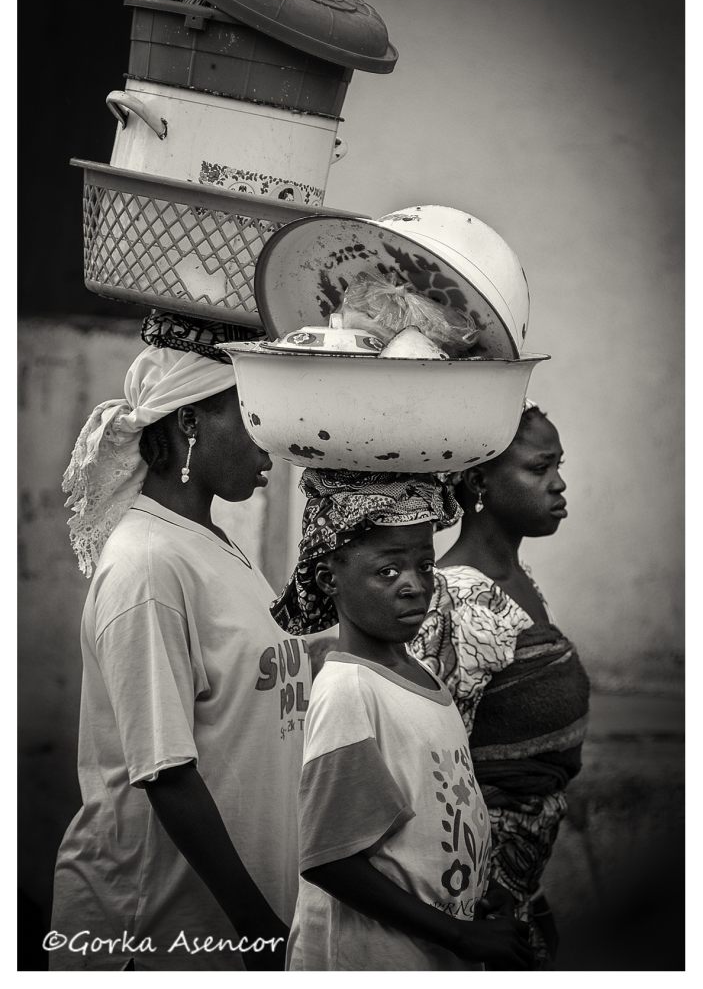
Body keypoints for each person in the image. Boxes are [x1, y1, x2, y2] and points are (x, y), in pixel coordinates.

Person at [50, 345, 312, 971]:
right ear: (190, 420)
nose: (271, 446)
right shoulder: (147, 566)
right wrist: (259, 933)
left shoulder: (213, 544)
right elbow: (165, 772)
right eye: (254, 418)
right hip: (153, 933)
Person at [273, 469, 533, 971]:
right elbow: (331, 860)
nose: (415, 585)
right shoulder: (350, 690)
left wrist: (472, 895)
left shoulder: (420, 674)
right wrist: (458, 935)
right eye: (388, 571)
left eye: (425, 565)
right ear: (329, 580)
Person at [410, 403, 590, 968]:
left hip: (522, 882)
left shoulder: (515, 579)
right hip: (476, 894)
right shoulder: (457, 600)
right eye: (539, 468)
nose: (558, 483)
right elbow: (435, 766)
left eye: (558, 466)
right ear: (478, 481)